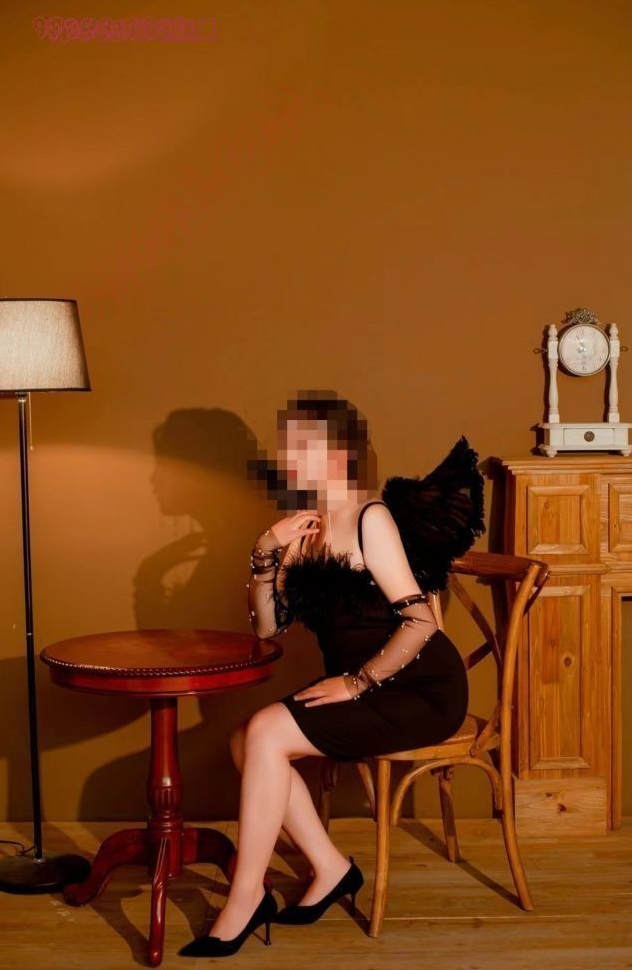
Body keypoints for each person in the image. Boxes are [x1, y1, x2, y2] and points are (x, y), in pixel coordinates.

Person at [179, 392, 484, 958]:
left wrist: (355, 683)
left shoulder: (372, 518)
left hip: (417, 686)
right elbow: (269, 626)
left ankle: (245, 898)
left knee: (264, 733)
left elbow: (420, 621)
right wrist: (266, 551)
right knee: (246, 741)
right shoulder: (303, 532)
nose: (287, 457)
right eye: (286, 446)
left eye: (303, 446)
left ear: (341, 454)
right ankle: (330, 868)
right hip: (364, 684)